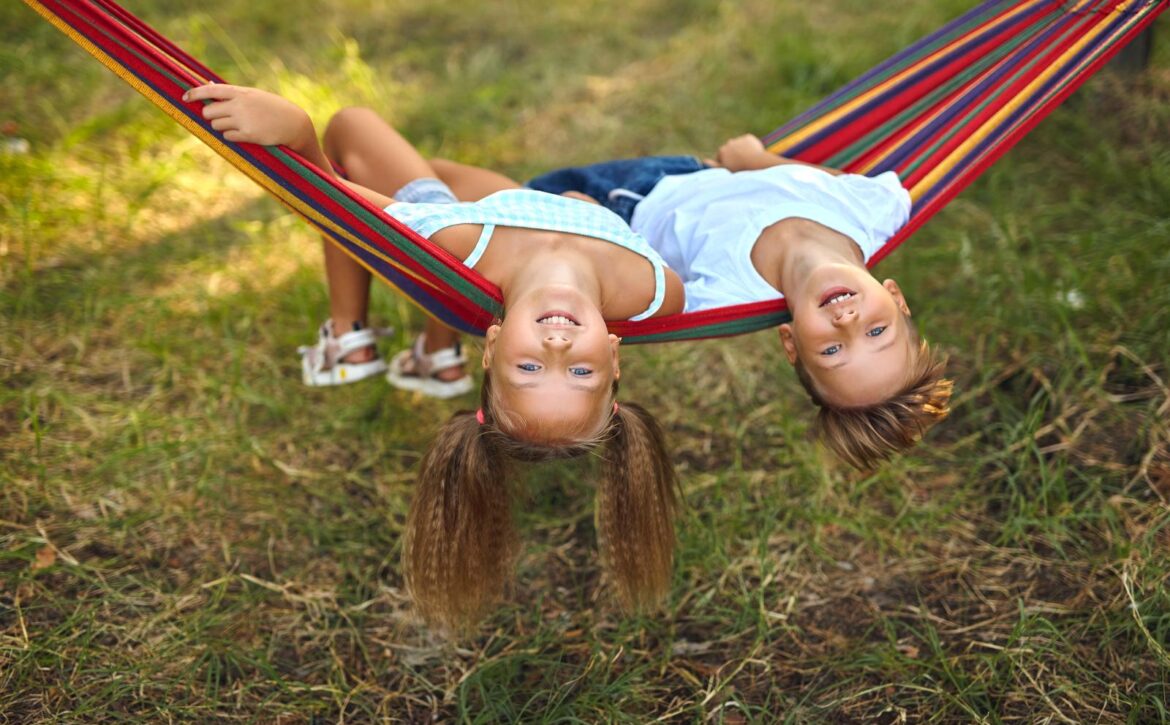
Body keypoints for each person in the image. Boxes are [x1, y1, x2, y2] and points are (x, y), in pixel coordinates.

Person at [181, 84, 680, 629]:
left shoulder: (452, 236)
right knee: (440, 166)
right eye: (580, 372)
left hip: (481, 225)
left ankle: (349, 335)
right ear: (614, 355)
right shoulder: (653, 290)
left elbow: (339, 205)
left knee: (350, 125)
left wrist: (299, 133)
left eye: (529, 368)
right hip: (549, 205)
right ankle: (435, 353)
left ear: (490, 348)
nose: (556, 347)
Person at [399, 135, 953, 471]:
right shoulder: (881, 212)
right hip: (698, 169)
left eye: (832, 349)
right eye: (876, 333)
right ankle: (437, 340)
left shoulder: (732, 293)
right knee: (438, 195)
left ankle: (439, 335)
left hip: (623, 201)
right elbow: (831, 182)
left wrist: (596, 220)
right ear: (896, 300)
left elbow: (630, 295)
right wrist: (757, 159)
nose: (848, 320)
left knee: (444, 192)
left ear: (791, 342)